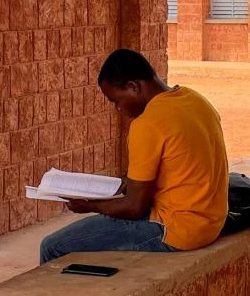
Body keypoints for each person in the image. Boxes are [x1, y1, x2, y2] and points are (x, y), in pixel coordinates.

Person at [39, 49, 230, 264]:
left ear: (133, 87)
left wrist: (90, 206)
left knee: (52, 246)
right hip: (212, 222)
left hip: (177, 230)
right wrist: (127, 182)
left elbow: (134, 207)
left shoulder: (147, 123)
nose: (118, 109)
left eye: (116, 100)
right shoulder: (195, 99)